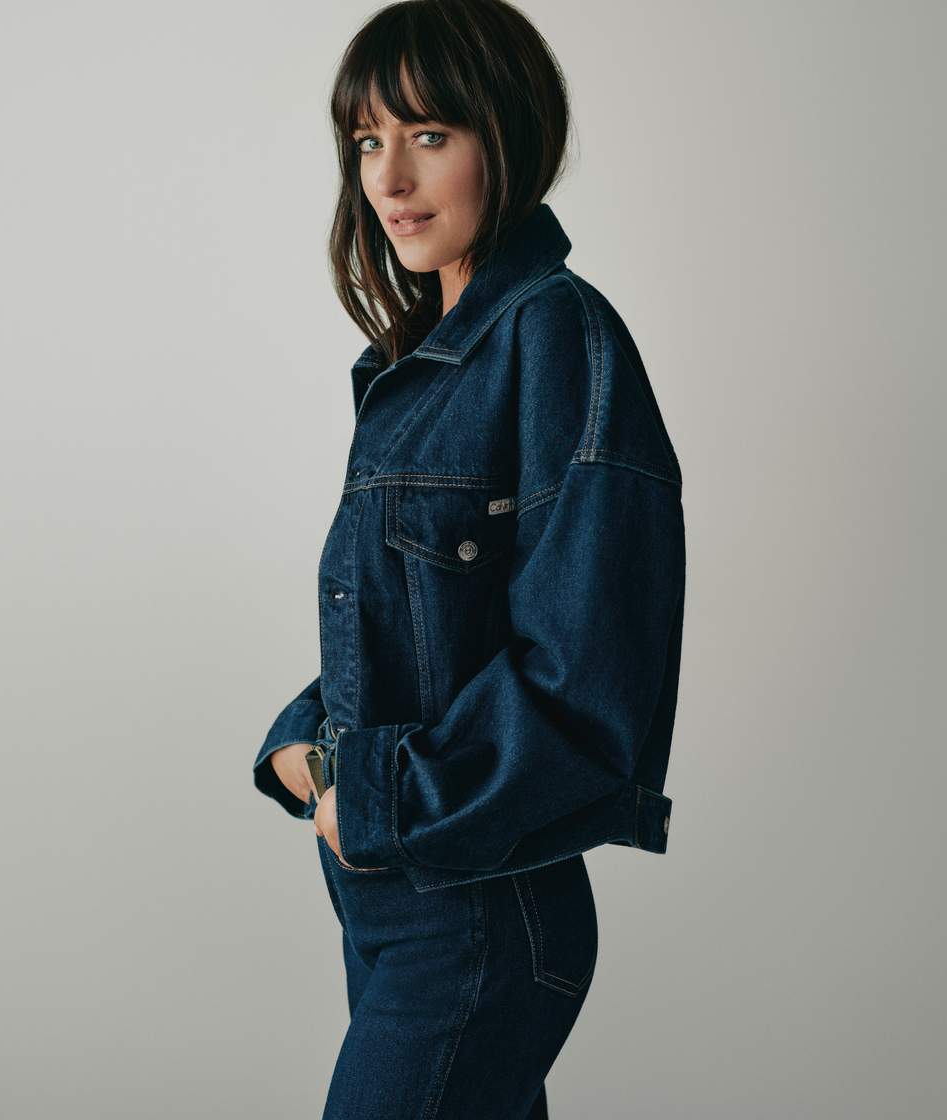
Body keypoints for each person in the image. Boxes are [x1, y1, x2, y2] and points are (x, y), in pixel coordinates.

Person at [251, 2, 686, 1117]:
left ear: (508, 134)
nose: (389, 179)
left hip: (480, 915)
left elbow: (587, 682)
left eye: (430, 134)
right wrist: (306, 740)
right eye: (368, 141)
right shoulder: (416, 369)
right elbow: (423, 638)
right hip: (392, 907)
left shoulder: (559, 337)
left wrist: (372, 797)